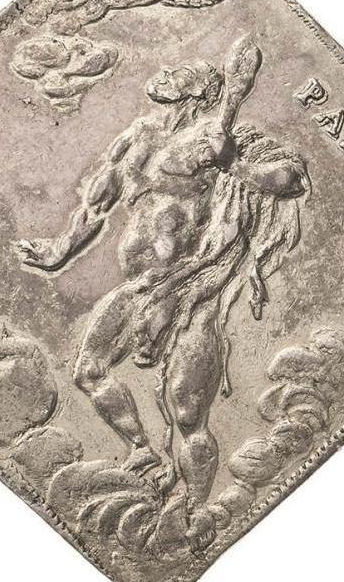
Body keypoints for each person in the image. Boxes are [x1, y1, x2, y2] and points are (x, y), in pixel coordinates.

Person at [16, 37, 310, 550]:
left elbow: (289, 180)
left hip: (191, 290)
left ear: (199, 94)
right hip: (140, 286)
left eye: (177, 77)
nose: (165, 78)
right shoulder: (139, 137)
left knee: (188, 413)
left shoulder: (223, 140)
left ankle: (196, 513)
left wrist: (231, 165)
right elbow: (97, 202)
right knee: (89, 370)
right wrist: (60, 250)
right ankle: (141, 449)